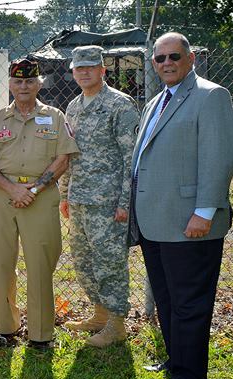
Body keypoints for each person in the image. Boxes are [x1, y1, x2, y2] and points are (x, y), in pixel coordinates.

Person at [130, 32, 233, 379]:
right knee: (167, 299)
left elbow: (219, 157)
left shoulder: (211, 96)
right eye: (159, 58)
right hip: (156, 221)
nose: (166, 63)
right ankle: (177, 361)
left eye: (174, 56)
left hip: (191, 223)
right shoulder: (156, 101)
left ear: (190, 58)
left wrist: (205, 212)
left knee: (189, 304)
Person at [0, 59, 79, 348]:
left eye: (30, 81)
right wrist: (12, 189)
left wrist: (34, 188)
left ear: (39, 84)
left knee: (41, 264)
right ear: (9, 84)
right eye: (18, 81)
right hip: (2, 194)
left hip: (39, 196)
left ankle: (41, 334)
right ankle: (6, 327)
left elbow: (63, 159)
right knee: (2, 262)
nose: (24, 87)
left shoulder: (54, 117)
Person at [59, 46, 139, 347]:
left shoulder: (120, 104)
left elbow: (131, 158)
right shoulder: (74, 106)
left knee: (109, 263)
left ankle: (116, 324)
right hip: (79, 199)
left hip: (108, 203)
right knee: (84, 261)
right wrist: (65, 194)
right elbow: (69, 154)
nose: (84, 72)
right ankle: (100, 315)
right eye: (79, 68)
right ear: (73, 72)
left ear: (102, 70)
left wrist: (125, 203)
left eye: (90, 67)